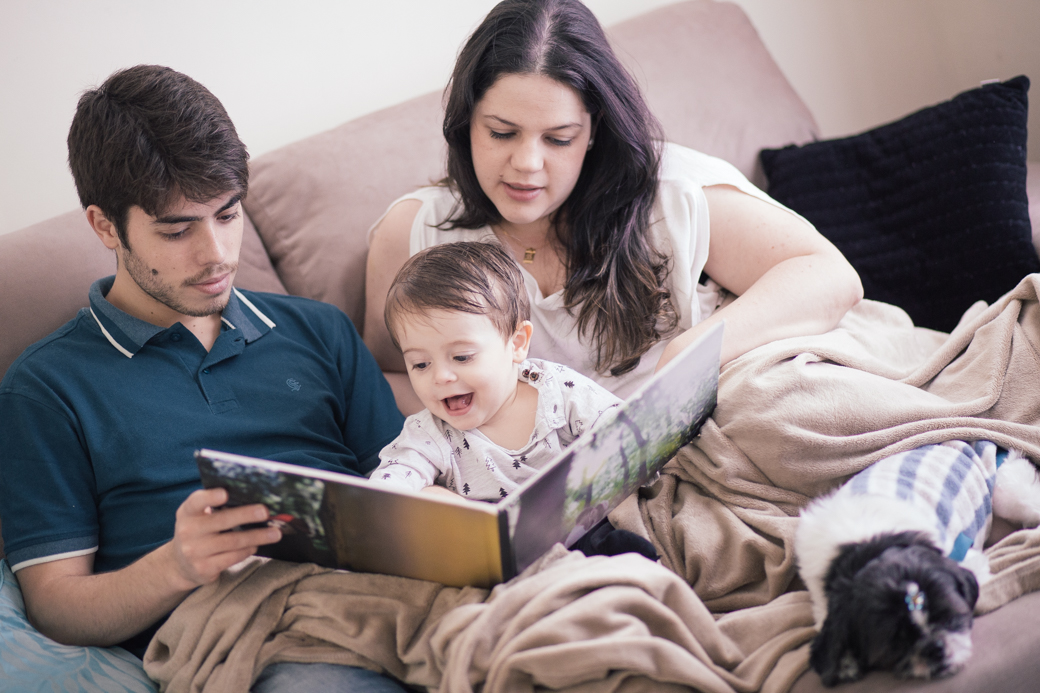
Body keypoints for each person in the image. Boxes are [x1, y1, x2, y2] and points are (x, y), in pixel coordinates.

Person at [0, 65, 411, 693]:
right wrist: (177, 564)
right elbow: (55, 606)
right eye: (176, 229)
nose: (217, 253)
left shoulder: (321, 331)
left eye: (227, 215)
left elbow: (407, 491)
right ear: (105, 226)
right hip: (254, 637)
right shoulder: (47, 388)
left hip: (388, 598)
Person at [364, 0, 864, 413]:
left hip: (704, 425)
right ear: (465, 124)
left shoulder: (671, 193)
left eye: (558, 139)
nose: (527, 164)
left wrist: (689, 354)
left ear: (594, 131)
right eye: (501, 133)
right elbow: (387, 374)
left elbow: (828, 275)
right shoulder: (415, 232)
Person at [369, 241, 622, 502]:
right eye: (421, 364)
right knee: (430, 498)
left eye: (461, 357)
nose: (441, 376)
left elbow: (629, 428)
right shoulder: (429, 433)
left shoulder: (558, 390)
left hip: (585, 521)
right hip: (487, 539)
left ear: (516, 344)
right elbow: (394, 478)